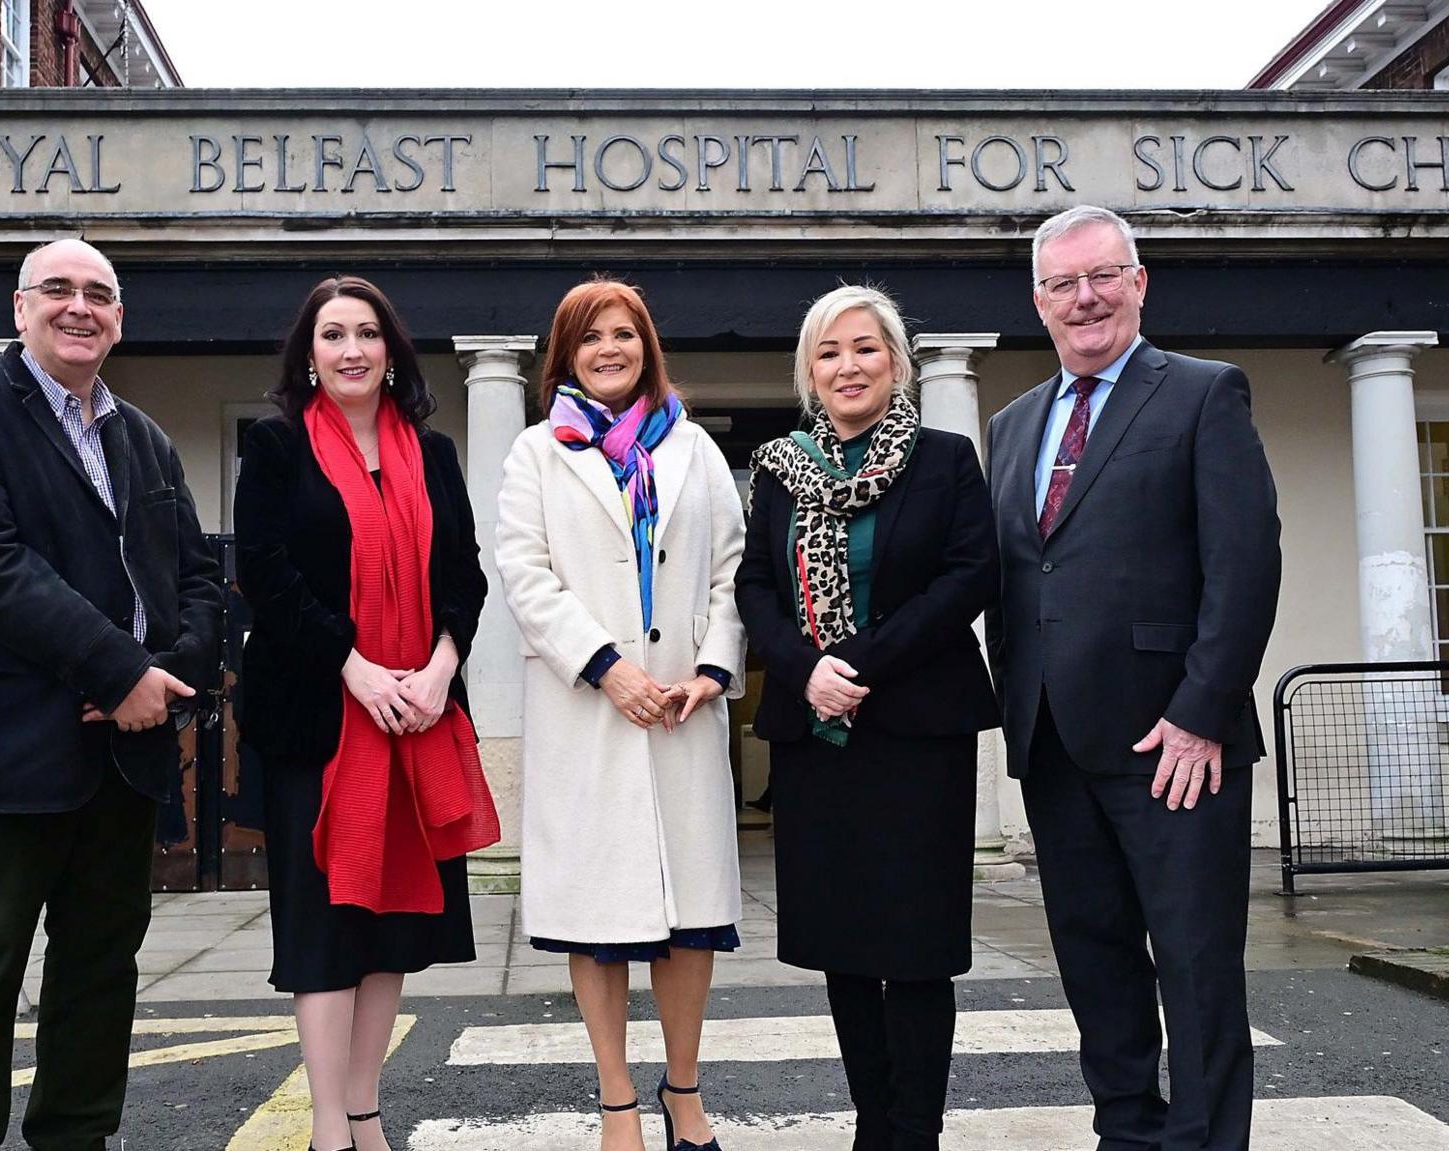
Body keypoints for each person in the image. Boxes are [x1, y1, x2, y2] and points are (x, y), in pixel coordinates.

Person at [0, 238, 223, 1151]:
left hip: (122, 759)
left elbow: (197, 578)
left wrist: (166, 676)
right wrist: (116, 668)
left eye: (100, 294)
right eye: (59, 290)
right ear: (19, 307)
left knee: (98, 973)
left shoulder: (145, 438)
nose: (79, 307)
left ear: (120, 319)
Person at [984, 205, 1281, 1151]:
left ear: (1139, 282)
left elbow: (1246, 566)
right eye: (1063, 284)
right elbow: (1016, 574)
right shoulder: (1012, 424)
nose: (1086, 298)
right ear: (1039, 302)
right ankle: (1127, 1128)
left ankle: (1201, 1139)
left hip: (1172, 745)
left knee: (1195, 964)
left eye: (1103, 276)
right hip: (1054, 739)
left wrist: (1201, 713)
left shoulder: (1201, 394)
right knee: (1094, 954)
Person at [233, 275, 500, 1151]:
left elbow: (464, 575)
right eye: (333, 335)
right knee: (324, 928)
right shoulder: (275, 449)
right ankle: (325, 1129)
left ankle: (365, 1111)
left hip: (417, 720)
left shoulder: (435, 455)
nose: (352, 349)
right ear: (308, 357)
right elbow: (267, 576)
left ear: (393, 353)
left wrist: (436, 670)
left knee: (390, 927)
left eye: (368, 334)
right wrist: (354, 666)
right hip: (320, 720)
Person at [734, 285, 998, 1151]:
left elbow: (968, 576)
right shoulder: (777, 470)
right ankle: (872, 1124)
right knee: (845, 944)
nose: (847, 365)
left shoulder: (947, 458)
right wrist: (808, 671)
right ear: (809, 371)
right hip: (819, 740)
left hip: (918, 732)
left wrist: (861, 665)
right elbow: (756, 591)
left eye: (865, 348)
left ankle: (915, 1130)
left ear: (898, 363)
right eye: (828, 352)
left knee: (916, 946)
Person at [495, 278, 746, 1151]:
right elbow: (525, 575)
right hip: (590, 715)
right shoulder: (535, 451)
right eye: (591, 337)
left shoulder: (695, 450)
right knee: (598, 923)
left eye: (625, 334)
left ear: (648, 347)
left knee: (690, 920)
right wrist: (606, 667)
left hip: (681, 710)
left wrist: (713, 670)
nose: (610, 349)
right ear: (564, 353)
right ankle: (616, 1103)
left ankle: (684, 1094)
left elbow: (730, 571)